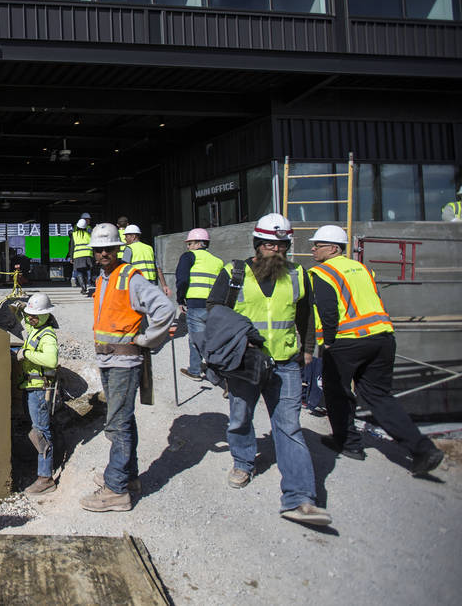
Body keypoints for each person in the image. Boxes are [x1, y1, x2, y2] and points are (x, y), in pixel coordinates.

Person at [206, 213, 330, 526]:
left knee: (288, 426)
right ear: (257, 245)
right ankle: (244, 461)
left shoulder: (299, 274)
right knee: (240, 417)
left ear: (287, 246)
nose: (274, 250)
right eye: (268, 244)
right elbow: (214, 311)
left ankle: (299, 497)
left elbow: (304, 314)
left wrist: (308, 350)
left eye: (280, 245)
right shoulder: (234, 272)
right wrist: (234, 343)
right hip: (245, 362)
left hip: (285, 363)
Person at [308, 225, 444, 474]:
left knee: (337, 391)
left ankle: (348, 443)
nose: (313, 249)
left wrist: (327, 342)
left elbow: (327, 310)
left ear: (333, 248)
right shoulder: (363, 268)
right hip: (382, 338)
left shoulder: (323, 272)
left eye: (318, 245)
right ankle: (423, 450)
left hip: (346, 341)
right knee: (379, 396)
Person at [80, 223, 173, 512]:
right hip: (108, 359)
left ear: (118, 249)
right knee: (123, 419)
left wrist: (146, 339)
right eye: (99, 249)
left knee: (117, 424)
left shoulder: (129, 278)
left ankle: (116, 488)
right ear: (94, 252)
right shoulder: (103, 279)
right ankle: (128, 477)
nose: (104, 253)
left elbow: (165, 309)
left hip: (124, 360)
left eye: (109, 248)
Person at [15, 292, 59, 495]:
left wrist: (27, 354)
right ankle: (39, 466)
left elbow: (51, 361)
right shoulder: (35, 328)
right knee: (35, 430)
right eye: (28, 314)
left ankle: (45, 478)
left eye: (34, 315)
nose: (30, 318)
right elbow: (24, 320)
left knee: (41, 432)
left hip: (40, 391)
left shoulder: (47, 335)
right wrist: (18, 310)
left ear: (44, 315)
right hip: (30, 387)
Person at [174, 228, 223, 382]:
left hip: (195, 304)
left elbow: (182, 280)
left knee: (197, 339)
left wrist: (180, 299)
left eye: (189, 243)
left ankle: (218, 374)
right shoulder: (218, 261)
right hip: (215, 306)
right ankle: (200, 369)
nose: (188, 246)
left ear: (197, 243)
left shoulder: (189, 257)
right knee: (206, 339)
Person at [121, 225, 170, 296]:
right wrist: (164, 285)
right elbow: (158, 269)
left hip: (138, 284)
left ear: (133, 236)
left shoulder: (129, 248)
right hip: (152, 285)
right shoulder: (149, 248)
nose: (125, 239)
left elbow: (124, 270)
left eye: (126, 236)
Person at [68, 218, 94, 296]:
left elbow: (72, 247)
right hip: (88, 256)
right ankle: (85, 286)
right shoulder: (89, 235)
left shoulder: (74, 235)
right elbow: (93, 246)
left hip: (78, 256)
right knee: (86, 272)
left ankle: (83, 287)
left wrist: (71, 257)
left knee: (79, 272)